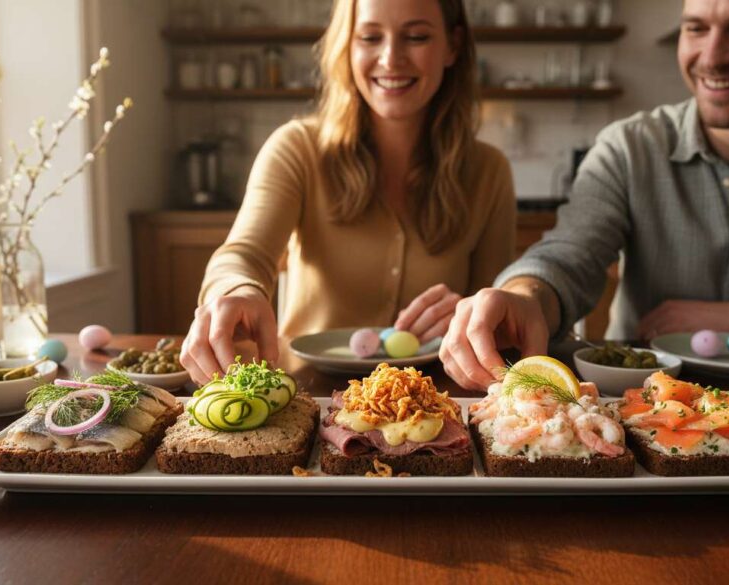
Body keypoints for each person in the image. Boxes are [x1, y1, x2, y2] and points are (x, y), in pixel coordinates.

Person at [441, 0, 729, 390]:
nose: (712, 57)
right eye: (695, 28)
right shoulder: (629, 146)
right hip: (641, 404)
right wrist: (523, 296)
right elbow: (565, 256)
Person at [181, 0, 516, 384]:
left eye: (417, 37)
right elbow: (243, 254)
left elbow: (498, 311)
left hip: (436, 399)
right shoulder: (296, 148)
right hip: (307, 393)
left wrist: (475, 315)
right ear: (348, 46)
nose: (391, 59)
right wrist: (239, 289)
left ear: (453, 46)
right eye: (370, 37)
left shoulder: (490, 171)